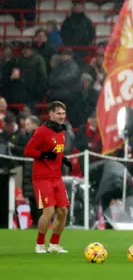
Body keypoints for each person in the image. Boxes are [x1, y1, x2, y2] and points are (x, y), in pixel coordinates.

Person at [23, 102, 72, 254]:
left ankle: (54, 244)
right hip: (42, 177)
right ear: (50, 114)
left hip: (56, 177)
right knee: (49, 211)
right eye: (58, 113)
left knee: (63, 211)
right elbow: (28, 150)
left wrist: (63, 158)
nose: (62, 116)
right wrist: (43, 155)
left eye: (63, 113)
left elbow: (56, 150)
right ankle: (39, 244)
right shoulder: (41, 131)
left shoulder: (61, 131)